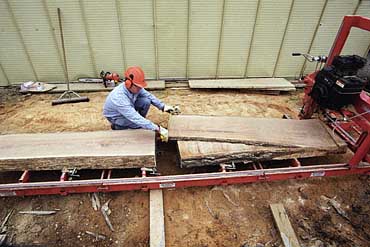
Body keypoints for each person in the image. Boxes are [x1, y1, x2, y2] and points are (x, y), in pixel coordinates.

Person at [103, 66, 177, 142]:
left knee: (146, 101)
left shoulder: (136, 87)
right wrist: (157, 128)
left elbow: (149, 96)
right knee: (137, 122)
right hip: (116, 116)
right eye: (138, 86)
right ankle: (118, 126)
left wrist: (163, 106)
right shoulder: (119, 97)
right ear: (128, 83)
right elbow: (134, 117)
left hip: (128, 107)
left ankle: (140, 122)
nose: (140, 88)